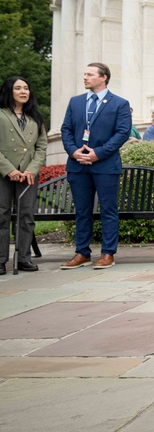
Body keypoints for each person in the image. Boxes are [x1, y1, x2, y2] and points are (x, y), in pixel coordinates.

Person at [59, 62, 132, 271]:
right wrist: (74, 151)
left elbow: (122, 133)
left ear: (104, 77)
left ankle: (108, 253)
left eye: (90, 74)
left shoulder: (119, 103)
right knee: (82, 211)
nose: (85, 77)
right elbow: (66, 130)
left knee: (108, 210)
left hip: (105, 166)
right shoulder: (75, 102)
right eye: (84, 74)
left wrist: (97, 154)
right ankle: (82, 253)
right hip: (78, 165)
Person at [0, 76, 47, 274]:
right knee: (1, 214)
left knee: (26, 215)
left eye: (26, 88)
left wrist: (32, 169)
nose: (23, 91)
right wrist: (8, 169)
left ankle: (24, 258)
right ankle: (1, 260)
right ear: (9, 91)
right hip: (4, 173)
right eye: (18, 88)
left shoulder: (35, 117)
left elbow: (42, 146)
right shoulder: (1, 114)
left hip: (28, 174)